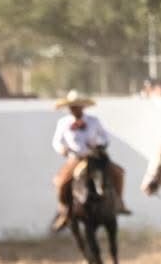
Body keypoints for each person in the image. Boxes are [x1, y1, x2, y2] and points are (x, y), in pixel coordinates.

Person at [50, 89, 128, 231]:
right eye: (72, 106)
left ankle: (119, 203)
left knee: (118, 173)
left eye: (77, 106)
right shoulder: (63, 123)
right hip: (75, 159)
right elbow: (56, 141)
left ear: (82, 107)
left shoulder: (93, 121)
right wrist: (63, 149)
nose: (74, 109)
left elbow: (105, 137)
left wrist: (99, 144)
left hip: (94, 157)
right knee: (60, 182)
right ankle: (64, 211)